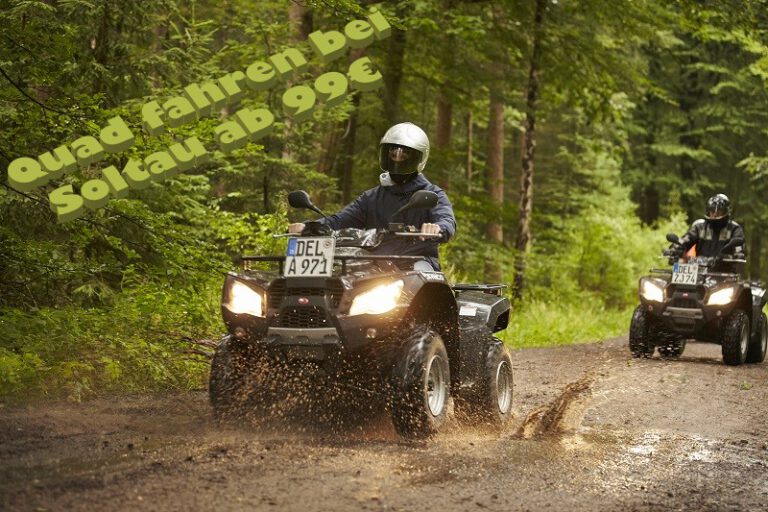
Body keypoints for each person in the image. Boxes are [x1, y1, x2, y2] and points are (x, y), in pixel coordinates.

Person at [288, 122, 456, 271]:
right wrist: (309, 226)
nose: (397, 158)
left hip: (416, 262)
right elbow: (338, 220)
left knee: (422, 277)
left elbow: (447, 221)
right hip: (376, 266)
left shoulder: (433, 194)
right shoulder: (371, 198)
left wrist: (437, 228)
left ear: (419, 158)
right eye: (393, 153)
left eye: (404, 155)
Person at [678, 193, 746, 259]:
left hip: (725, 268)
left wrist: (736, 254)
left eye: (719, 211)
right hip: (700, 268)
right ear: (708, 211)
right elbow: (687, 239)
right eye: (712, 211)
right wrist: (676, 247)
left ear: (726, 212)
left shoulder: (734, 228)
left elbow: (739, 249)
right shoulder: (700, 227)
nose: (715, 215)